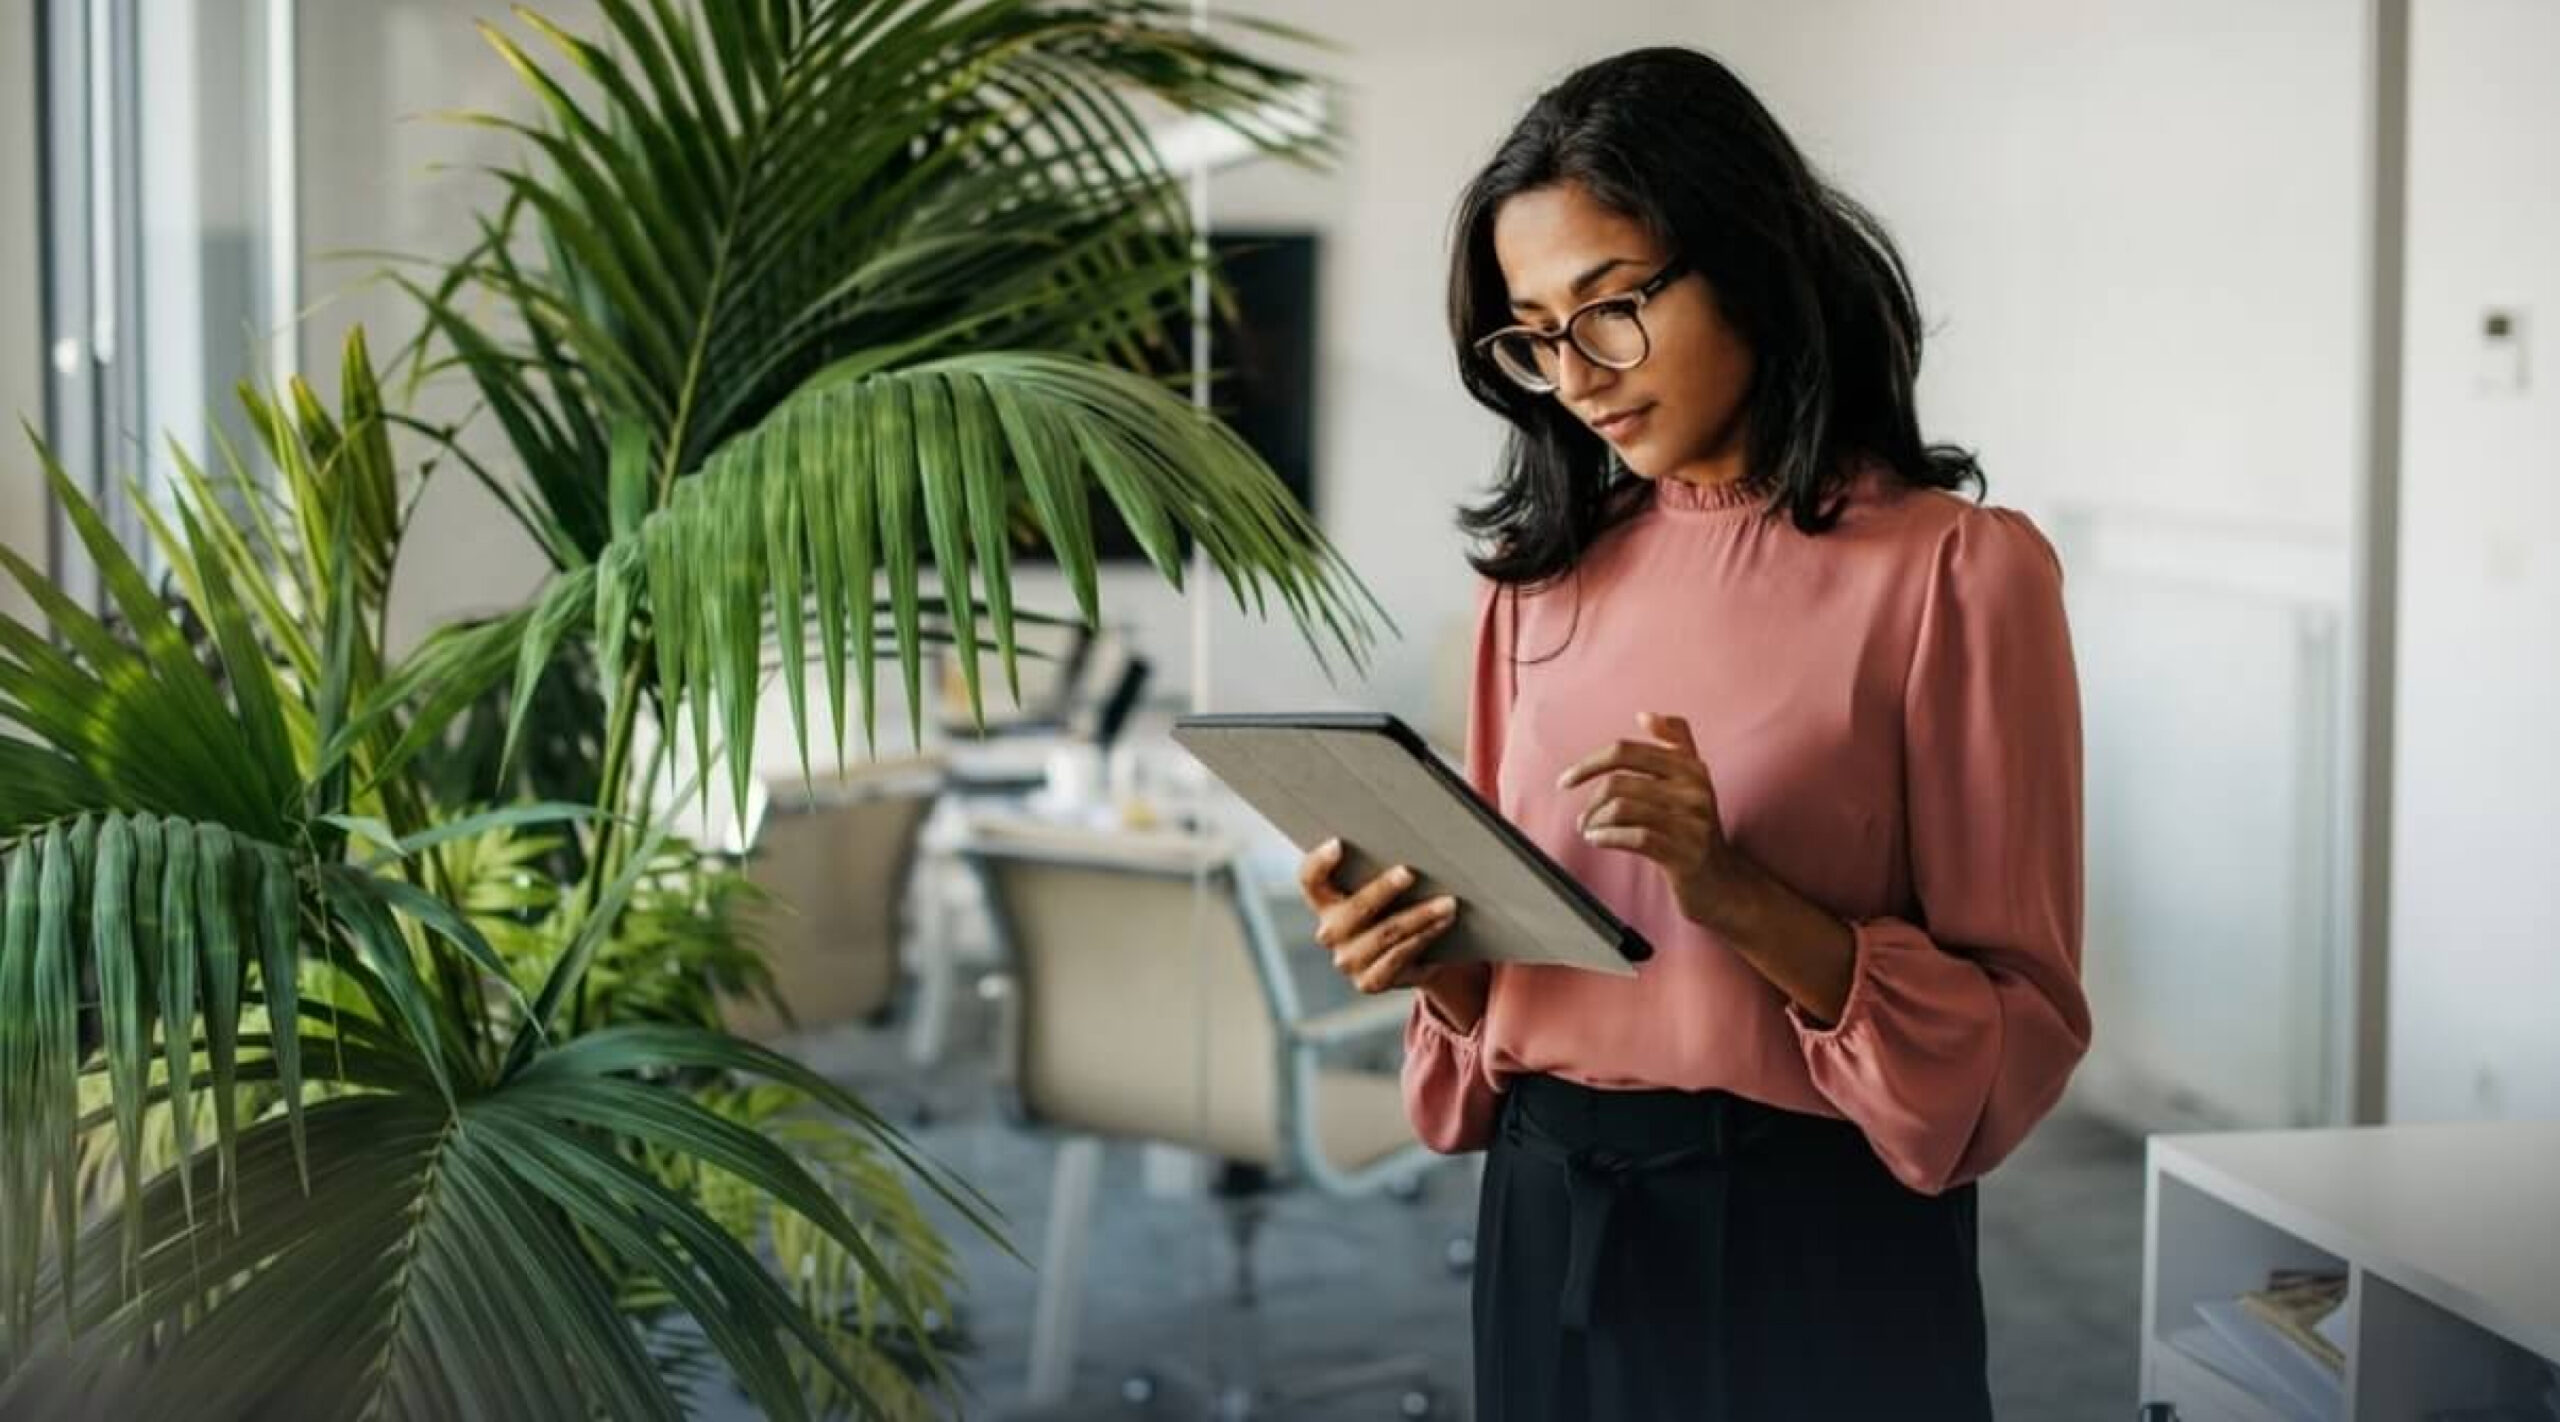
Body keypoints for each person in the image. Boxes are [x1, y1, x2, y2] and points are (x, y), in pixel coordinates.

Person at [1294, 46, 2091, 1421]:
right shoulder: (1531, 585)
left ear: (1749, 261)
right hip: (1545, 1204)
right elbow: (1514, 1006)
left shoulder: (1957, 574)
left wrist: (1734, 890)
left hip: (1811, 1234)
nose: (1575, 375)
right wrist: (1437, 962)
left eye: (1611, 308)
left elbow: (2017, 1035)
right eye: (1533, 335)